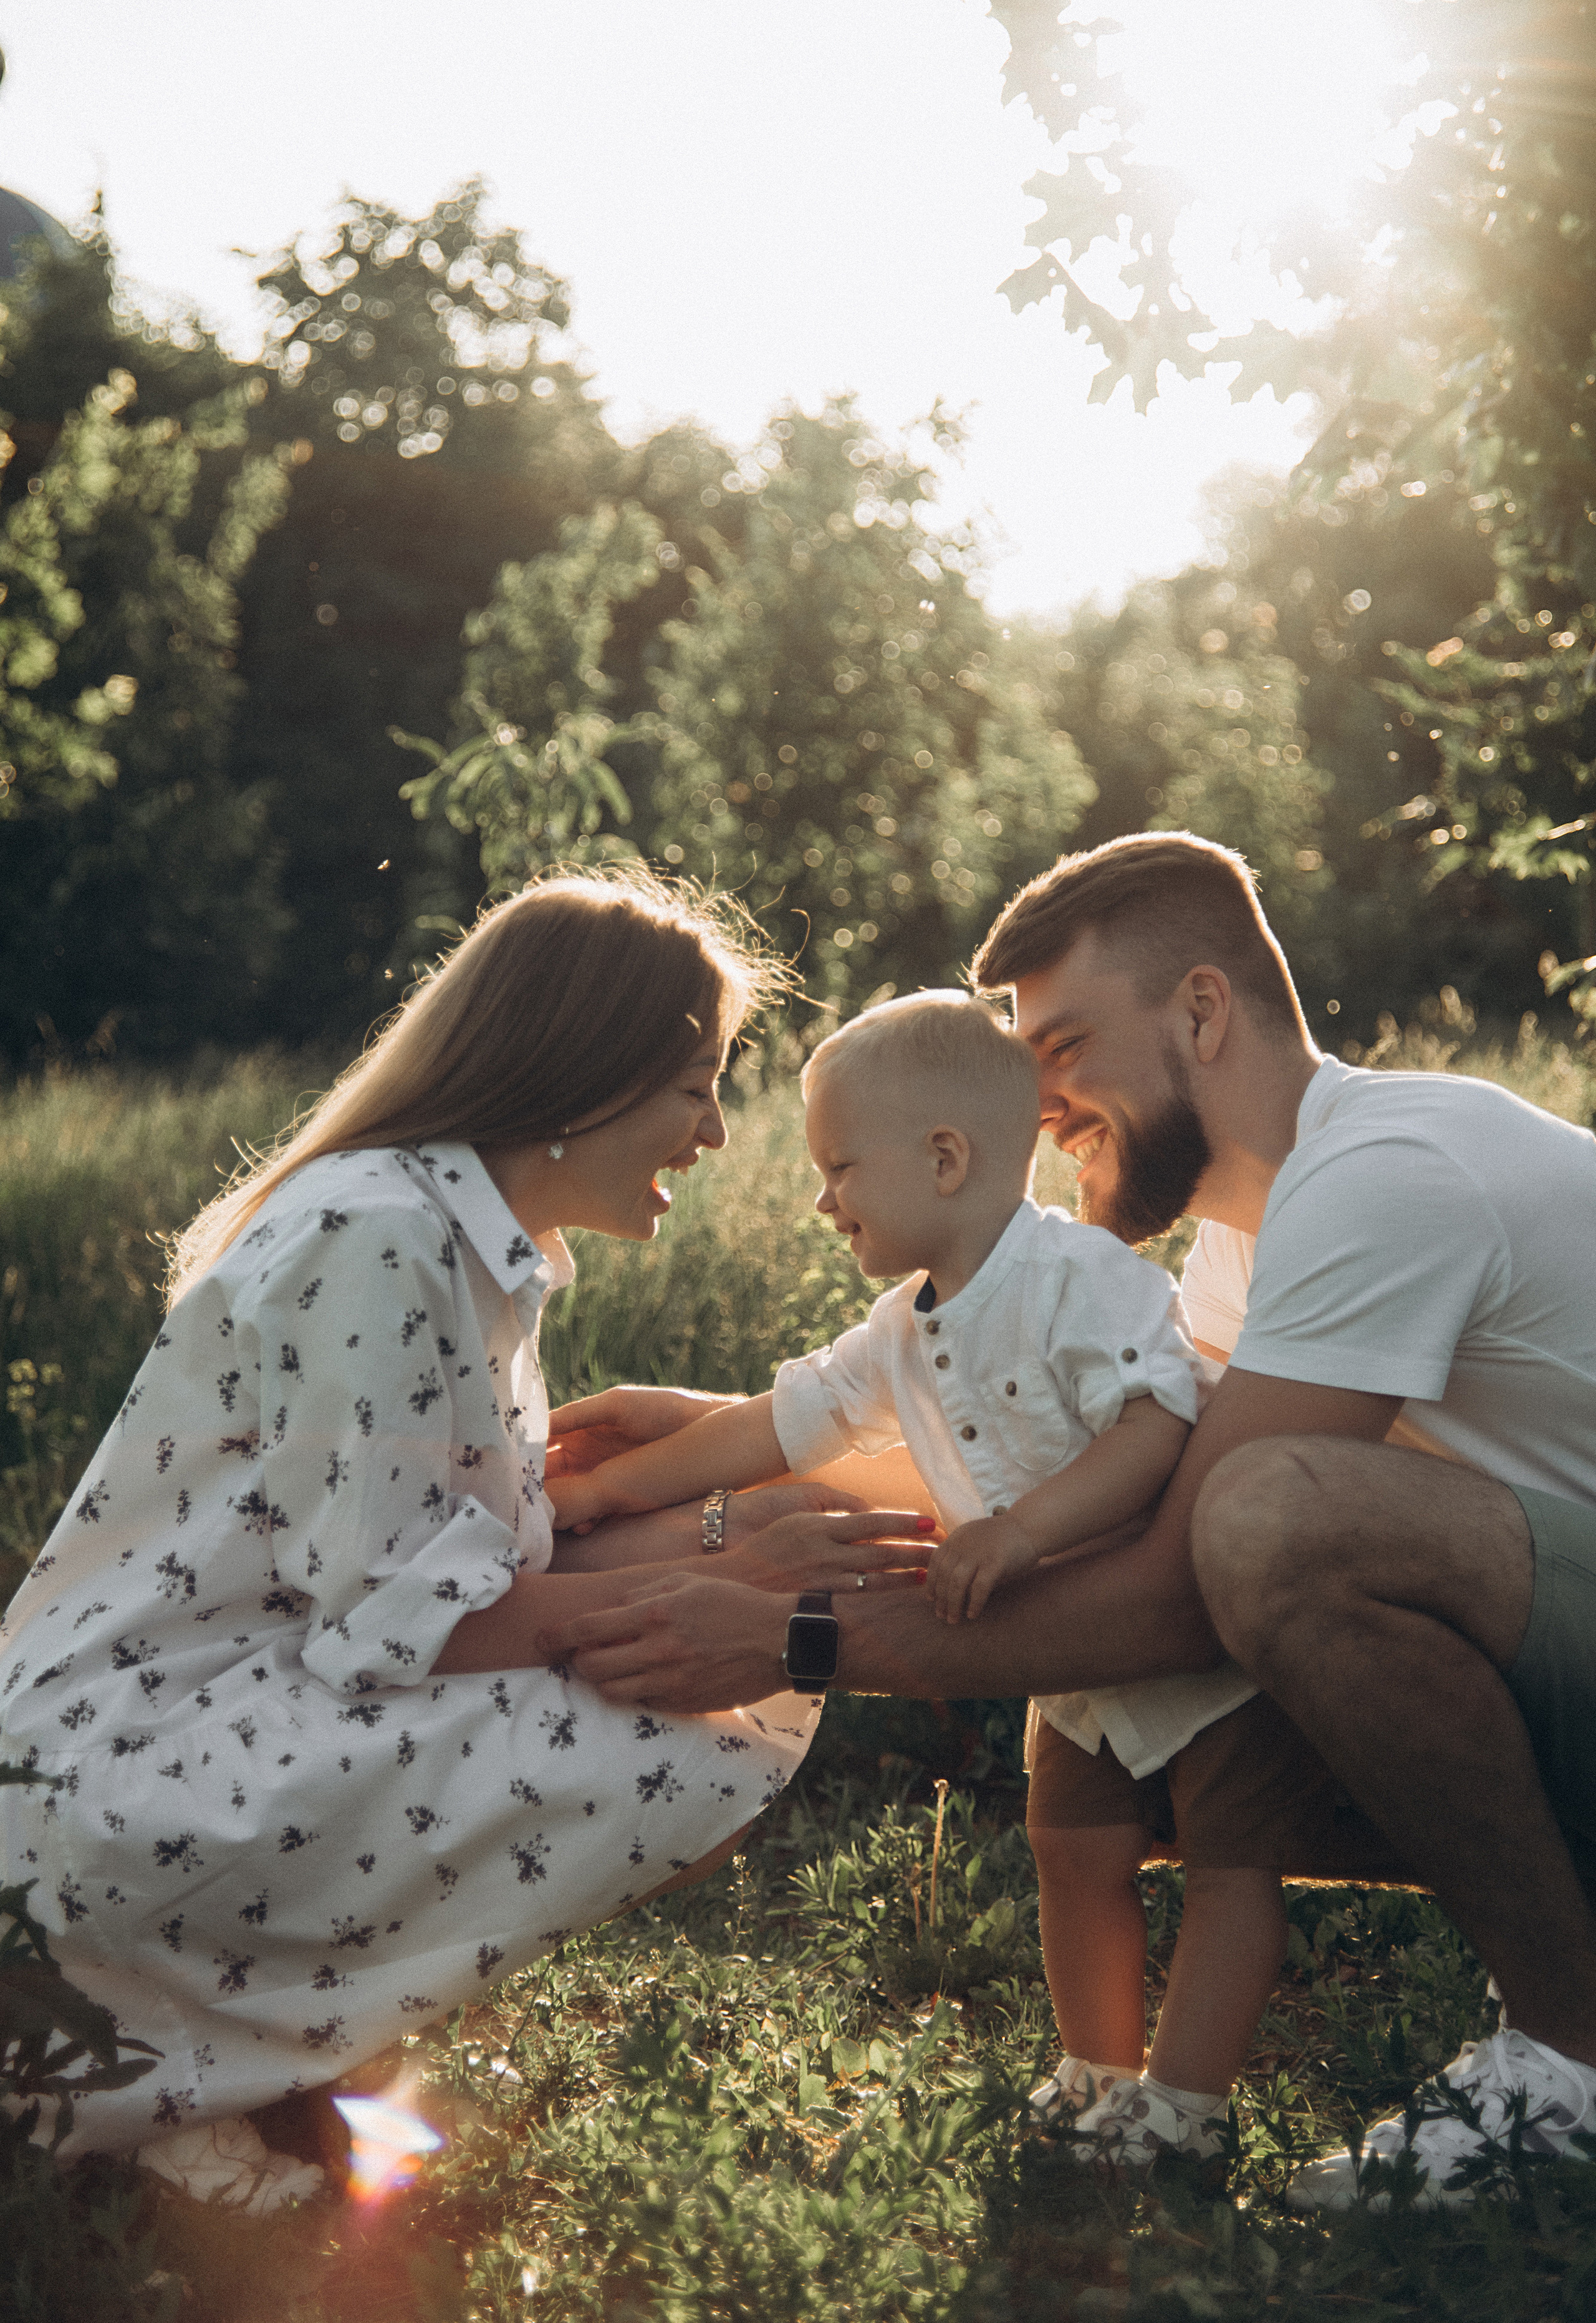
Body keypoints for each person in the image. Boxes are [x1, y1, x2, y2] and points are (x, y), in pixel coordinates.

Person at [544, 833, 1596, 2210]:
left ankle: (1568, 2052)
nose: (1037, 1105)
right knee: (1215, 1517)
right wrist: (700, 1455)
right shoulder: (1246, 1241)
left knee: (1269, 1521)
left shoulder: (1388, 1174)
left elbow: (1181, 1585)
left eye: (1069, 1045)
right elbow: (1047, 1487)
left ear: (1203, 1012)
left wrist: (797, 1642)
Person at [0, 872, 917, 2211]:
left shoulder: (455, 1234)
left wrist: (729, 1530)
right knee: (687, 1727)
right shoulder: (379, 1236)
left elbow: (470, 1566)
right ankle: (172, 2070)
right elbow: (406, 1616)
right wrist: (714, 1584)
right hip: (120, 1773)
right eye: (696, 1085)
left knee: (724, 1677)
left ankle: (246, 2054)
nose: (716, 1130)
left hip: (214, 1709)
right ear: (579, 1074)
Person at [549, 990, 1387, 2171]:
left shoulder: (1080, 1278)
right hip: (1070, 1671)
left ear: (945, 1159)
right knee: (1075, 1852)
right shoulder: (900, 1329)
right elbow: (778, 1425)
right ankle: (1099, 2074)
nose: (821, 1200)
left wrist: (1024, 1532)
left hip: (1185, 1649)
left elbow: (1154, 1422)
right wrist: (612, 1489)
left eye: (839, 1168)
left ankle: (1186, 2106)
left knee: (1228, 1863)